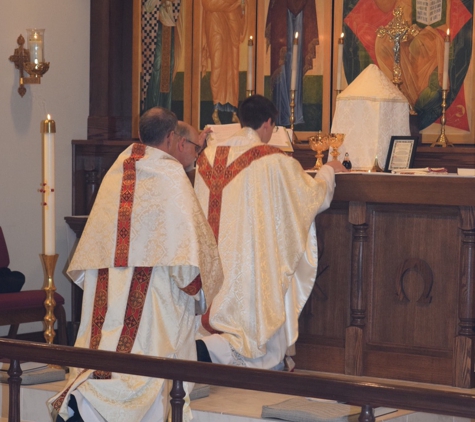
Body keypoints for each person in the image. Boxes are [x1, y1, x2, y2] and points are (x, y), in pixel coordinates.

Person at [48, 107, 223, 422]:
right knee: (147, 360)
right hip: (153, 292)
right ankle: (105, 409)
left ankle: (85, 405)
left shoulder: (118, 169)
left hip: (109, 285)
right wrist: (196, 288)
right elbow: (186, 251)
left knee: (105, 356)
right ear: (171, 137)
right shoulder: (171, 176)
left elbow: (98, 236)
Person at [194, 94, 347, 370]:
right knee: (249, 332)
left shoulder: (206, 157)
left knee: (219, 313)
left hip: (212, 259)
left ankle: (204, 347)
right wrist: (328, 171)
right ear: (268, 123)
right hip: (247, 258)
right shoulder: (273, 159)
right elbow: (312, 197)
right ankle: (217, 353)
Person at [201, 0, 248, 124]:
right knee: (217, 65)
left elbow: (242, 7)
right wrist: (233, 4)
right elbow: (209, 4)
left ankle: (232, 110)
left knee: (233, 67)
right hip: (215, 22)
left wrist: (240, 7)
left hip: (232, 22)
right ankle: (216, 108)